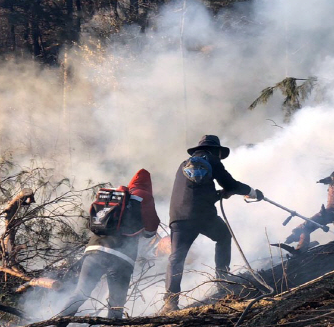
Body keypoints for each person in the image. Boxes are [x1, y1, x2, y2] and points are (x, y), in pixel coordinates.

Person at [161, 135, 263, 313]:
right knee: (223, 237)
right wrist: (252, 192)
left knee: (176, 258)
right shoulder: (211, 160)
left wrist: (218, 195)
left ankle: (170, 301)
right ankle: (222, 282)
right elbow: (230, 184)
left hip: (178, 217)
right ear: (216, 150)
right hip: (203, 216)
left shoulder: (183, 164)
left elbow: (194, 194)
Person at [59, 169, 160, 319]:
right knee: (116, 304)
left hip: (94, 251)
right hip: (120, 258)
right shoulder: (144, 197)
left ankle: (56, 323)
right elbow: (151, 229)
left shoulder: (114, 198)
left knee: (80, 293)